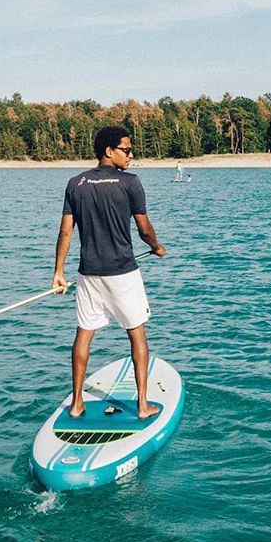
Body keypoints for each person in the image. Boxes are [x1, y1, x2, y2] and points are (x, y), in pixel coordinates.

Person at [52, 126, 166, 420]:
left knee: (83, 336)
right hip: (122, 273)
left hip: (88, 274)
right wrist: (157, 246)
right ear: (108, 151)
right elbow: (144, 229)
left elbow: (66, 231)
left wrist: (58, 272)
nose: (131, 155)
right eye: (126, 150)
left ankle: (77, 403)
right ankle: (142, 406)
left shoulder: (75, 184)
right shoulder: (130, 182)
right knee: (137, 335)